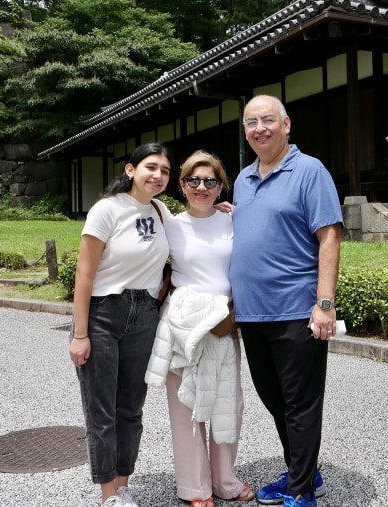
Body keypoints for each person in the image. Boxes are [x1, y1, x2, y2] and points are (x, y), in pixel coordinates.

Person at [229, 95, 343, 507]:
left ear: (287, 124)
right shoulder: (243, 180)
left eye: (267, 120)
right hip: (252, 313)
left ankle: (300, 492)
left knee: (300, 405)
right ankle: (305, 472)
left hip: (296, 311)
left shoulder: (310, 171)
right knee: (274, 400)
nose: (259, 128)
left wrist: (324, 304)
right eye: (251, 122)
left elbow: (329, 236)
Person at [144, 150, 254, 507]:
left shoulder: (235, 220)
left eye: (210, 181)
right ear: (182, 185)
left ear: (221, 186)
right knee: (186, 409)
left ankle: (224, 480)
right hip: (183, 325)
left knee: (228, 404)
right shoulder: (169, 223)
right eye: (194, 180)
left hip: (223, 323)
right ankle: (194, 488)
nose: (202, 187)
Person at [69, 143, 173, 507]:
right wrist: (80, 334)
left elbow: (192, 231)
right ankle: (108, 493)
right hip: (103, 314)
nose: (157, 175)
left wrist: (225, 212)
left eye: (164, 170)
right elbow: (84, 273)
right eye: (150, 167)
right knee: (102, 410)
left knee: (131, 408)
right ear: (130, 170)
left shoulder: (161, 211)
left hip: (145, 314)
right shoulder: (107, 210)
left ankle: (123, 483)